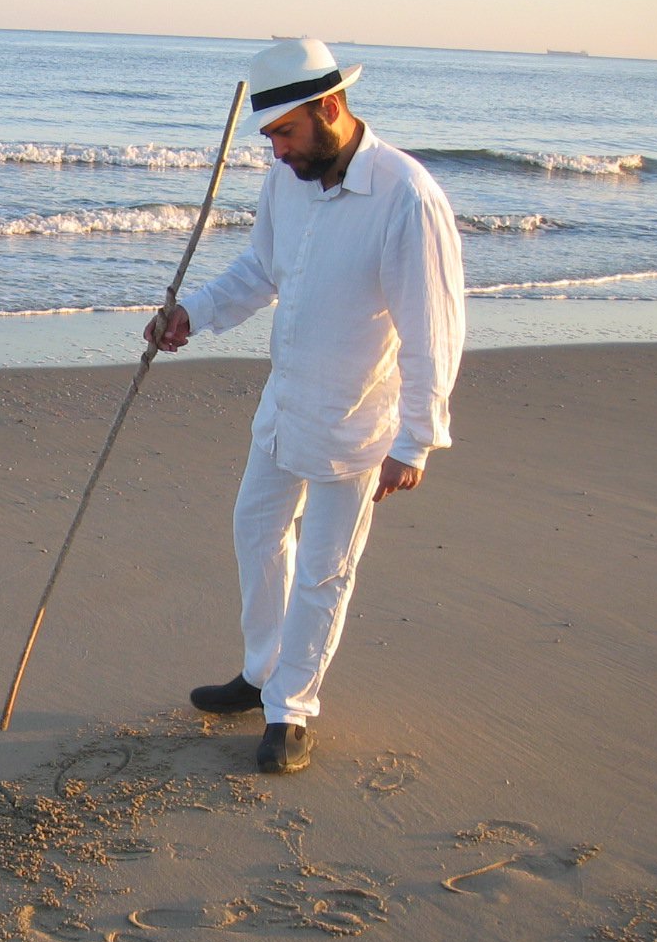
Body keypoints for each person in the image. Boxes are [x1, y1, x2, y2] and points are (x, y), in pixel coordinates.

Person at [145, 38, 465, 775]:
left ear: (329, 108)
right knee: (256, 529)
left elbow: (433, 326)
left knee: (325, 568)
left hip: (358, 419)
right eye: (268, 137)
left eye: (285, 133)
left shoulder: (406, 197)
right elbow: (262, 266)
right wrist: (195, 311)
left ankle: (293, 710)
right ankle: (262, 672)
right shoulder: (288, 180)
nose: (277, 151)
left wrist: (417, 439)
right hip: (287, 400)